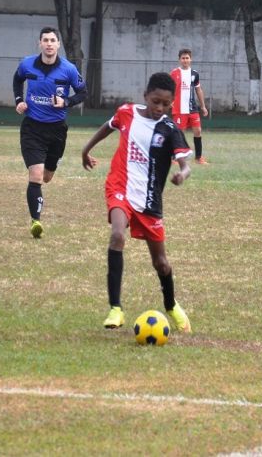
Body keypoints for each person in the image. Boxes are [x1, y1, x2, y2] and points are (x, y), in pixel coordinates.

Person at [81, 72, 193, 333]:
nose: (160, 108)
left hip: (150, 199)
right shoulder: (126, 113)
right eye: (156, 102)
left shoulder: (170, 129)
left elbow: (185, 164)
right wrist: (86, 149)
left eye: (166, 104)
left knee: (161, 263)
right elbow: (108, 127)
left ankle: (171, 304)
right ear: (146, 96)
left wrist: (182, 174)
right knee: (117, 235)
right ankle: (116, 308)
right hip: (120, 185)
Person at [13, 26, 87, 238]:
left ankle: (51, 166)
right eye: (45, 40)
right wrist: (19, 100)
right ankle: (36, 222)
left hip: (57, 129)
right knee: (35, 175)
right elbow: (17, 80)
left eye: (52, 40)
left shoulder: (69, 69)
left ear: (58, 44)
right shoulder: (27, 64)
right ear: (40, 43)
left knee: (47, 176)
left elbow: (83, 92)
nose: (48, 43)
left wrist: (66, 101)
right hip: (32, 127)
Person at [170, 48, 209, 164]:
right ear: (179, 60)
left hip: (193, 109)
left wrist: (203, 106)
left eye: (187, 58)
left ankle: (199, 158)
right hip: (179, 109)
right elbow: (168, 88)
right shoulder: (174, 73)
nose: (185, 60)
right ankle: (174, 157)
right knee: (178, 133)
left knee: (198, 131)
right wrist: (169, 101)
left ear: (190, 59)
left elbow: (198, 90)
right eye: (183, 58)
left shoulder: (194, 74)